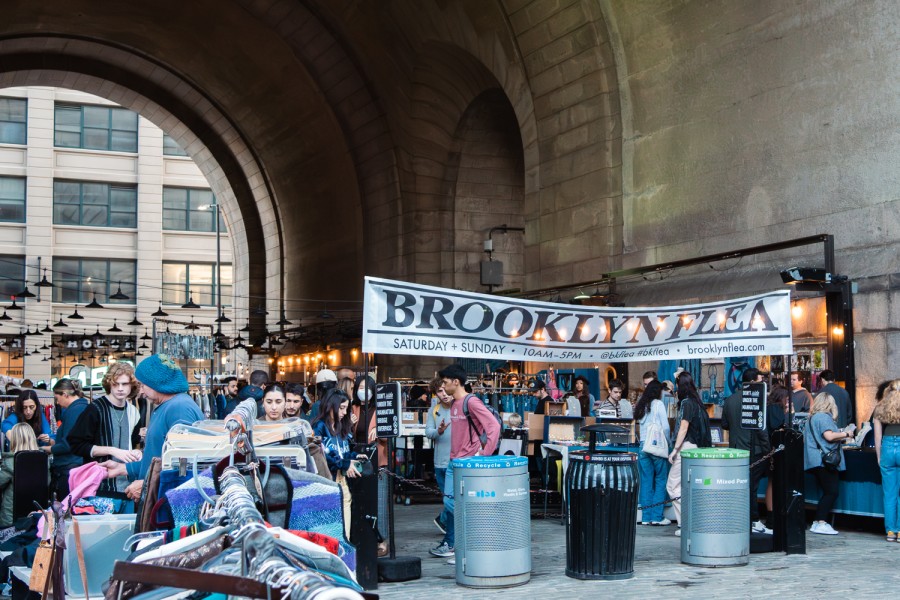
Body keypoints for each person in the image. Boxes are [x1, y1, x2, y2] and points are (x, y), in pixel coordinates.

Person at [101, 354, 205, 500]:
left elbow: (182, 466)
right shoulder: (167, 406)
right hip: (159, 496)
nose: (141, 392)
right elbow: (157, 456)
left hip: (168, 501)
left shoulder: (179, 408)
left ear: (157, 383)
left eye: (143, 385)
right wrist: (123, 468)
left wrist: (146, 484)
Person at [430, 364, 500, 563]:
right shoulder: (453, 404)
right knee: (450, 503)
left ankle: (470, 547)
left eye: (445, 382)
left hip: (469, 463)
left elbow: (493, 427)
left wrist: (484, 455)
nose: (442, 386)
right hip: (454, 463)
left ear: (456, 382)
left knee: (462, 506)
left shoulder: (472, 402)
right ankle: (467, 545)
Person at [68, 363, 142, 497]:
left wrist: (137, 453)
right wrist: (111, 450)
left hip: (127, 486)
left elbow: (134, 442)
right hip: (98, 486)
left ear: (131, 385)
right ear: (109, 385)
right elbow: (76, 444)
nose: (120, 388)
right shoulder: (95, 409)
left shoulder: (133, 412)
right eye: (115, 384)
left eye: (124, 384)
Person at [721, 368, 772, 534]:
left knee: (739, 486)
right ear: (752, 382)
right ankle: (754, 520)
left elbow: (724, 424)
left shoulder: (730, 400)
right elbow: (761, 428)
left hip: (735, 449)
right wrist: (768, 452)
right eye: (759, 382)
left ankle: (739, 518)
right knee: (752, 487)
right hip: (754, 451)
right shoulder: (756, 399)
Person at [666, 371, 712, 536]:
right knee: (689, 486)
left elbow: (683, 428)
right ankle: (691, 521)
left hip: (686, 448)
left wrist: (674, 450)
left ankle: (686, 523)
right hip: (697, 449)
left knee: (672, 485)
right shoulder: (698, 403)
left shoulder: (686, 403)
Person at [312, 388, 362, 536]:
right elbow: (321, 455)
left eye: (346, 408)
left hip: (342, 479)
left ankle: (344, 549)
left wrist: (353, 457)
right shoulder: (319, 427)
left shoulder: (341, 426)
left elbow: (343, 452)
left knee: (345, 524)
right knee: (330, 524)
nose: (344, 412)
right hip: (327, 480)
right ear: (330, 406)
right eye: (341, 408)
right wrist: (346, 463)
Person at [804, 392, 852, 535]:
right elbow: (829, 436)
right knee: (831, 492)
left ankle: (817, 522)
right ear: (830, 404)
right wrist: (847, 434)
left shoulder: (811, 418)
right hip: (824, 460)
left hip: (814, 459)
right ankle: (820, 522)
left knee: (827, 491)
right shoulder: (824, 417)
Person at [633, 380, 671, 526]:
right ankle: (657, 517)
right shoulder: (658, 404)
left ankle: (645, 517)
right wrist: (667, 442)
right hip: (656, 447)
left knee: (646, 481)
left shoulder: (642, 405)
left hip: (643, 447)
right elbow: (666, 427)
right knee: (661, 480)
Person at [48, 379, 88, 500]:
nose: (57, 402)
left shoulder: (74, 411)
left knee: (65, 508)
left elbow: (68, 444)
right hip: (73, 467)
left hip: (69, 468)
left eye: (57, 398)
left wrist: (49, 448)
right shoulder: (81, 408)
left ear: (65, 394)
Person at [0, 423, 43, 527]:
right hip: (36, 515)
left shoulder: (11, 462)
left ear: (14, 439)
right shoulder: (43, 460)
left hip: (11, 518)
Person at [873, 383, 900, 541]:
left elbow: (877, 436)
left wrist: (879, 456)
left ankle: (891, 532)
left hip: (887, 448)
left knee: (889, 494)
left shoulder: (880, 407)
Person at [425, 376, 452, 535]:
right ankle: (445, 522)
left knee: (454, 499)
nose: (444, 394)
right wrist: (438, 431)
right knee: (448, 498)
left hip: (459, 461)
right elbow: (428, 432)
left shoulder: (461, 407)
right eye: (440, 391)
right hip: (441, 462)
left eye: (445, 389)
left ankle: (444, 521)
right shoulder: (434, 411)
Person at [764, 385, 791, 517]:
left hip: (770, 448)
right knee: (773, 481)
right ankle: (772, 513)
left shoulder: (769, 407)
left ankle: (771, 513)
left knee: (772, 481)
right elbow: (778, 426)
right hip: (774, 449)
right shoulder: (776, 409)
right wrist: (787, 414)